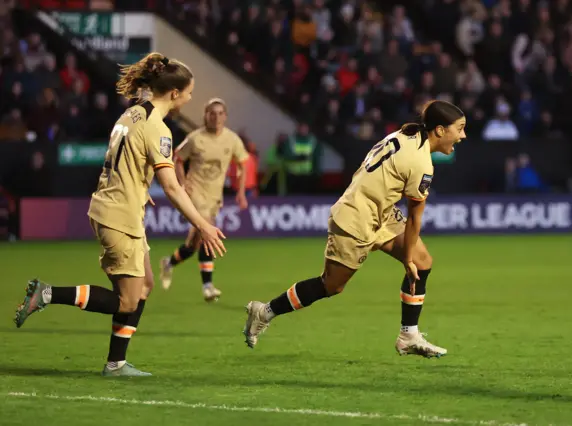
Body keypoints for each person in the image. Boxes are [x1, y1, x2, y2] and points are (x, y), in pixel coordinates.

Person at [13, 52, 227, 376]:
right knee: (128, 300)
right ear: (174, 93)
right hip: (119, 216)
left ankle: (116, 363)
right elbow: (172, 187)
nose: (190, 97)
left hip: (117, 206)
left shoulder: (132, 114)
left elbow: (126, 159)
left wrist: (140, 186)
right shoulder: (159, 129)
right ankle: (46, 294)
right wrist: (203, 225)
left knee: (146, 285)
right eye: (189, 92)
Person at [243, 100, 466, 358]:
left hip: (379, 212)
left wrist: (411, 256)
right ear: (439, 130)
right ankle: (264, 311)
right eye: (459, 129)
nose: (462, 136)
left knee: (423, 261)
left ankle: (408, 335)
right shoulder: (421, 163)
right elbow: (415, 218)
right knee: (331, 286)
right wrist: (406, 259)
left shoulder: (407, 134)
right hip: (355, 218)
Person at [159, 98, 249, 301]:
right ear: (205, 115)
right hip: (195, 193)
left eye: (219, 113)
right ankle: (208, 286)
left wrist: (241, 192)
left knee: (192, 244)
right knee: (208, 231)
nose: (215, 117)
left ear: (225, 116)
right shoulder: (195, 138)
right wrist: (182, 184)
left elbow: (243, 164)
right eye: (211, 113)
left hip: (214, 196)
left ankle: (168, 263)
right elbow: (177, 158)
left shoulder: (232, 139)